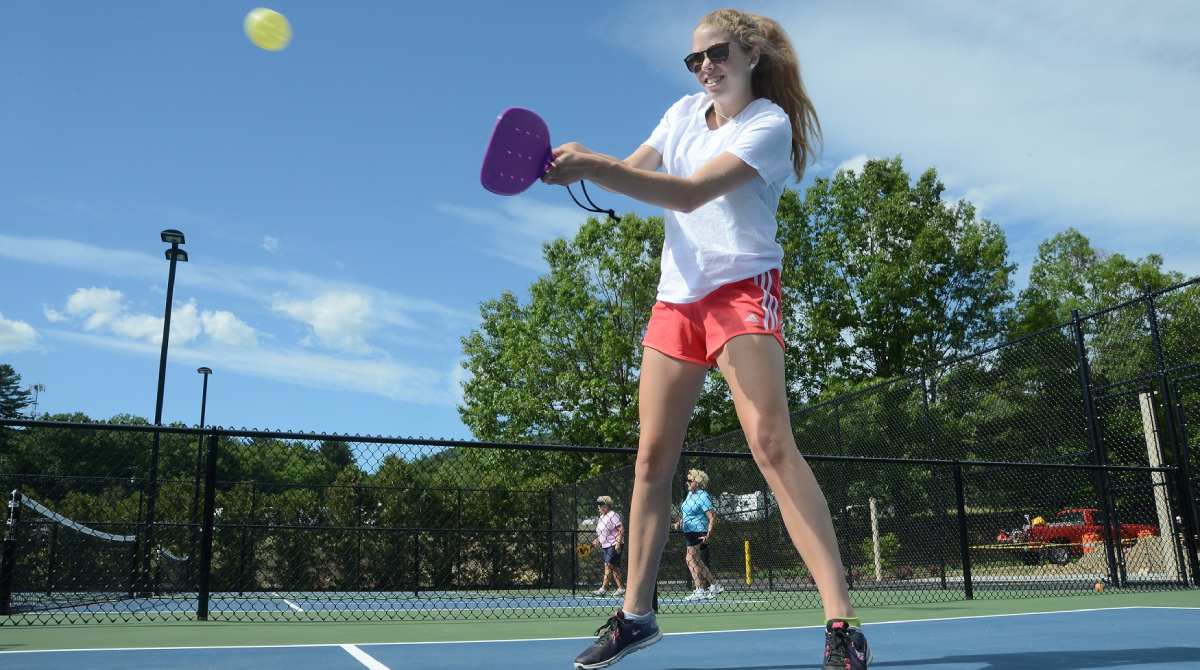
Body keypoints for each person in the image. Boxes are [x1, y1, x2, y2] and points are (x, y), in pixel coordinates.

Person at [542, 9, 871, 670]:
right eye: (694, 60)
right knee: (649, 462)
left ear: (750, 54)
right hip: (676, 300)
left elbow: (689, 195)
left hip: (743, 290)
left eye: (715, 54)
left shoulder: (768, 126)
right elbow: (635, 171)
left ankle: (841, 622)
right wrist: (572, 168)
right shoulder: (681, 114)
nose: (704, 68)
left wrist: (593, 164)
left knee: (773, 447)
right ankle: (636, 616)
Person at [674, 469, 722, 600]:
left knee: (690, 558)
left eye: (690, 480)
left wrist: (709, 534)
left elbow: (712, 517)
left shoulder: (703, 496)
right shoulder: (690, 495)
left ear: (698, 482)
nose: (687, 483)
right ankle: (714, 585)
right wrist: (680, 522)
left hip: (699, 531)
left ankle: (700, 589)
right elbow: (687, 513)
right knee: (696, 560)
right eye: (687, 480)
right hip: (688, 531)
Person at [592, 496, 626, 596]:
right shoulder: (602, 517)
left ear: (607, 505)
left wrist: (618, 543)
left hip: (614, 544)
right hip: (605, 545)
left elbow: (621, 528)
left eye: (602, 504)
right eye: (599, 505)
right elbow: (602, 533)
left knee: (608, 565)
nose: (599, 507)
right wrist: (597, 540)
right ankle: (621, 588)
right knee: (614, 567)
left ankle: (604, 588)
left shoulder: (612, 515)